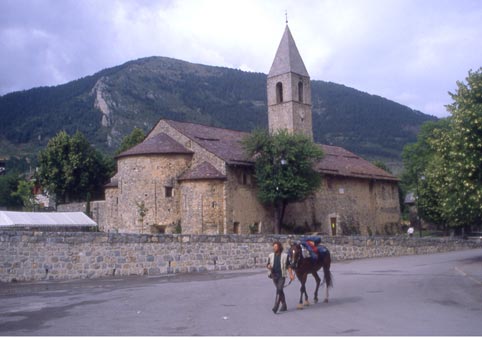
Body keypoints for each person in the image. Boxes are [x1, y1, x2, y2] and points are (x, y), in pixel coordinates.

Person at [267, 241, 295, 314]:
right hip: (274, 276)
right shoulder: (270, 255)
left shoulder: (285, 256)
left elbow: (289, 266)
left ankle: (276, 306)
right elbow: (267, 264)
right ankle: (284, 305)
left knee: (279, 289)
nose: (274, 248)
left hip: (282, 276)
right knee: (280, 290)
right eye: (274, 246)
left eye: (276, 246)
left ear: (279, 247)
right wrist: (268, 266)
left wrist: (291, 274)